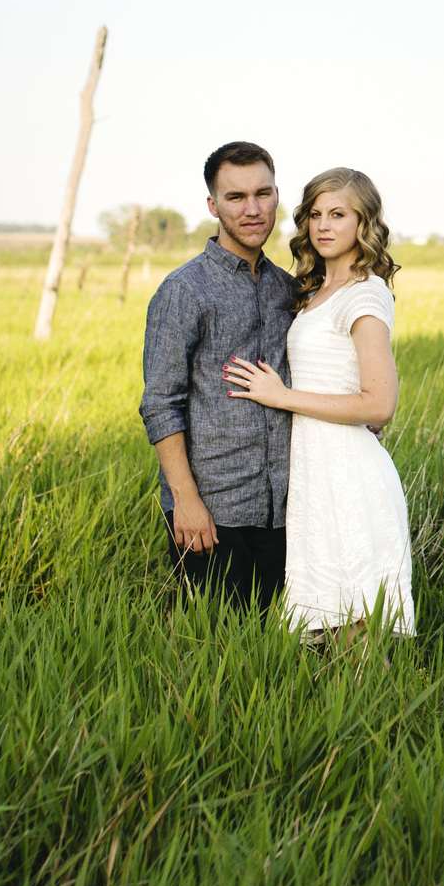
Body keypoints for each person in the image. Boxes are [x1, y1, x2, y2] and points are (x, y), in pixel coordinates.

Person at [224, 167, 416, 640]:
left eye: (339, 214)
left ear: (363, 223)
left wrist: (282, 397)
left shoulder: (365, 294)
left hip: (346, 472)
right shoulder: (314, 290)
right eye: (315, 214)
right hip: (315, 470)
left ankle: (378, 711)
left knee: (357, 624)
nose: (324, 225)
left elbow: (379, 404)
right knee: (328, 618)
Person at [139, 141, 296, 609]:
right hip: (213, 510)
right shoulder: (184, 290)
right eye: (236, 197)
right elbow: (160, 403)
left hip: (285, 510)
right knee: (214, 654)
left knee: (276, 649)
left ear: (275, 196)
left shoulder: (287, 289)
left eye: (263, 194)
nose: (253, 209)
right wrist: (185, 501)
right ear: (213, 205)